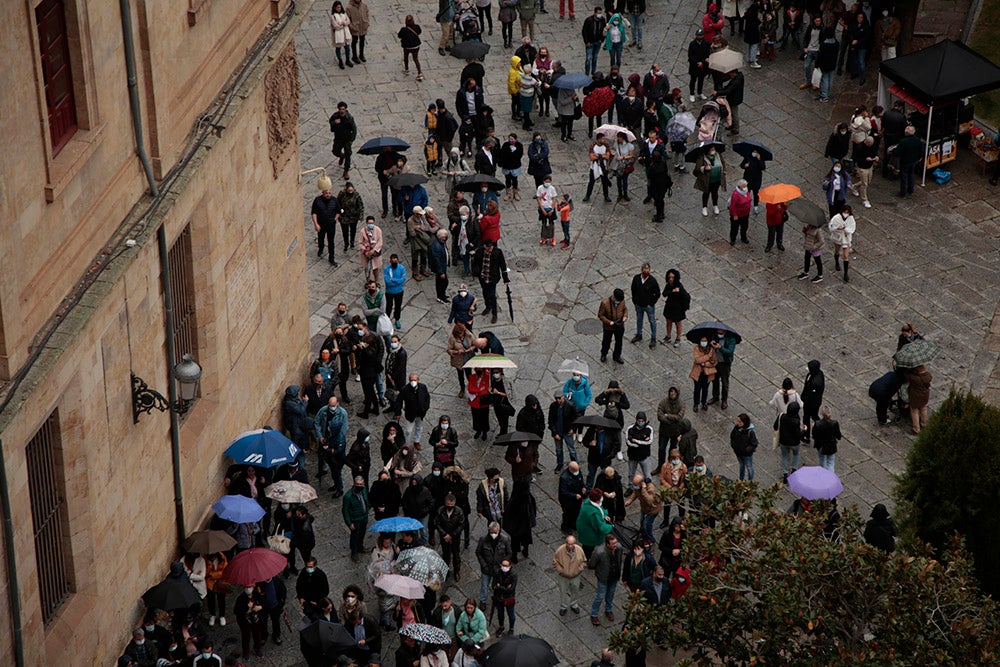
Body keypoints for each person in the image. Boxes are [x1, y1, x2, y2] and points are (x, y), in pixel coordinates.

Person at [315, 396, 350, 497]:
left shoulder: (342, 414)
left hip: (335, 451)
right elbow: (317, 422)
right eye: (330, 405)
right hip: (326, 441)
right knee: (329, 465)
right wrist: (321, 436)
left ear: (337, 403)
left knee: (336, 471)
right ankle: (333, 481)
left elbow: (344, 429)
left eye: (333, 406)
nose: (332, 408)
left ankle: (339, 488)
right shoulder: (323, 411)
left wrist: (329, 449)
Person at [471, 238, 510, 325]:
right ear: (484, 246)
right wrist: (475, 271)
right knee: (485, 293)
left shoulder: (498, 252)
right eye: (488, 247)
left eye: (491, 247)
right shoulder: (480, 251)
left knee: (492, 295)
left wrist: (505, 278)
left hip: (492, 278)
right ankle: (488, 307)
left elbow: (503, 266)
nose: (490, 249)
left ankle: (494, 314)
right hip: (483, 277)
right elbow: (475, 262)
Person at [476, 522, 511, 607]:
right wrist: (483, 564)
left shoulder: (505, 539)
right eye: (491, 532)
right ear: (489, 530)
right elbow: (478, 552)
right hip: (487, 568)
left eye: (495, 532)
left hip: (498, 568)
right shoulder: (483, 539)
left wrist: (504, 563)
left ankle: (497, 598)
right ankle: (483, 601)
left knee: (498, 585)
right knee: (484, 585)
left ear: (499, 531)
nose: (493, 534)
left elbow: (509, 553)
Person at [588, 534, 621, 626]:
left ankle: (608, 610)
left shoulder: (619, 548)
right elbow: (591, 564)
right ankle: (594, 614)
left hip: (614, 576)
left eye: (616, 542)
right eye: (613, 543)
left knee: (611, 594)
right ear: (607, 544)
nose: (616, 545)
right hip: (603, 577)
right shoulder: (599, 552)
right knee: (600, 596)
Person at [628, 263, 660, 348]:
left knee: (652, 321)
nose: (646, 271)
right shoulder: (636, 278)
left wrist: (651, 303)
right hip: (638, 305)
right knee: (639, 320)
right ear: (641, 270)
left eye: (647, 270)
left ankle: (653, 337)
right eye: (644, 270)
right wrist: (634, 301)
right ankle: (639, 334)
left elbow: (657, 293)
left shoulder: (653, 281)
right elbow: (633, 290)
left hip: (648, 306)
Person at [436, 493, 466, 581]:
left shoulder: (459, 511)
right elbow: (437, 523)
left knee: (456, 555)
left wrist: (452, 535)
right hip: (444, 537)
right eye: (448, 504)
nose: (450, 506)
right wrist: (444, 534)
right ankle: (446, 571)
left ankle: (456, 571)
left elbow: (461, 525)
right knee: (446, 555)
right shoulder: (440, 510)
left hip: (455, 537)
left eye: (451, 504)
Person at [577, 488, 613, 558]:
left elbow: (600, 508)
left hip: (585, 530)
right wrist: (611, 527)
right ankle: (587, 559)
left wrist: (604, 515)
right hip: (589, 535)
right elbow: (600, 527)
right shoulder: (593, 514)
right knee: (588, 549)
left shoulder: (588, 502)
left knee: (586, 547)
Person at [312, 176, 340, 266]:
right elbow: (314, 213)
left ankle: (331, 258)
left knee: (331, 241)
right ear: (323, 193)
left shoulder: (334, 200)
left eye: (329, 193)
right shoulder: (317, 200)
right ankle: (321, 249)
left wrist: (335, 219)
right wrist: (316, 224)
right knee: (321, 238)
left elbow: (338, 211)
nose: (328, 195)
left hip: (331, 225)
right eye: (326, 193)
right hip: (321, 224)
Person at [626, 472, 660, 544]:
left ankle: (651, 539)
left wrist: (644, 490)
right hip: (644, 508)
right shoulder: (638, 487)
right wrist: (630, 500)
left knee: (647, 524)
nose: (635, 487)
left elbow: (650, 502)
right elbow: (635, 493)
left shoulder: (650, 488)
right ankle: (643, 535)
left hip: (652, 510)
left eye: (636, 485)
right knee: (642, 522)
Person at [343, 476, 371, 562]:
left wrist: (367, 509)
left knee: (362, 533)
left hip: (364, 517)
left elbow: (366, 500)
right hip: (355, 520)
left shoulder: (364, 490)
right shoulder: (348, 496)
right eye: (358, 484)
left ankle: (360, 547)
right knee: (355, 536)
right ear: (354, 484)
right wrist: (349, 523)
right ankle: (354, 552)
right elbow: (345, 511)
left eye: (361, 484)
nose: (359, 486)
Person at [597, 288, 628, 364]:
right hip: (609, 327)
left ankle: (617, 356)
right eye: (617, 300)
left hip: (619, 325)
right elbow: (600, 315)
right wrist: (609, 322)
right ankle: (604, 354)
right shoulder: (605, 303)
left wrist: (625, 316)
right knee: (606, 341)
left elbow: (625, 309)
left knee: (619, 342)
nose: (619, 302)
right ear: (613, 297)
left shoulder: (622, 301)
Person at [694, 144, 725, 217]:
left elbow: (722, 163)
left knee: (715, 193)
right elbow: (697, 169)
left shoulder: (718, 155)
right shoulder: (702, 157)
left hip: (717, 179)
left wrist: (724, 171)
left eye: (714, 149)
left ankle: (715, 205)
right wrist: (704, 168)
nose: (713, 151)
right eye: (711, 150)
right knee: (706, 193)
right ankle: (704, 207)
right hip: (707, 180)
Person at [894, 125, 924, 198]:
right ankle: (910, 189)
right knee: (911, 175)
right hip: (914, 161)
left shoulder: (903, 141)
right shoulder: (918, 140)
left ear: (906, 133)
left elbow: (897, 152)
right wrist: (919, 158)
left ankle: (903, 192)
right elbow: (921, 150)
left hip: (905, 161)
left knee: (904, 176)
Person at [330, 101, 358, 180]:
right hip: (338, 138)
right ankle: (342, 156)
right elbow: (331, 123)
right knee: (335, 151)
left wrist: (351, 140)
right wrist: (334, 123)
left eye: (343, 109)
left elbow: (354, 129)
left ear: (345, 109)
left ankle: (346, 170)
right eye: (340, 109)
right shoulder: (335, 116)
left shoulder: (349, 118)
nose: (342, 111)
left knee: (348, 154)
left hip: (347, 139)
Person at [689, 336, 717, 412]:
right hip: (698, 373)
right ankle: (696, 403)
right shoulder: (697, 348)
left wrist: (705, 364)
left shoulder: (711, 349)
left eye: (705, 341)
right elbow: (697, 360)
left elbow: (714, 362)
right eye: (702, 341)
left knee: (705, 389)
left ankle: (704, 402)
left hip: (707, 373)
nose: (703, 342)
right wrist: (708, 356)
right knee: (697, 389)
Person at [624, 412, 654, 482]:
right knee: (631, 474)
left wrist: (636, 441)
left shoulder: (649, 429)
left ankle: (648, 488)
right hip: (632, 456)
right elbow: (628, 442)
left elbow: (649, 442)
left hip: (645, 456)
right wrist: (642, 442)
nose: (640, 423)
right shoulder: (630, 429)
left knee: (647, 475)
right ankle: (630, 487)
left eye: (642, 421)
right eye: (639, 421)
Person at [584, 133, 613, 203]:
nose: (604, 140)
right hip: (594, 167)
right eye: (603, 139)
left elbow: (607, 157)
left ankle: (606, 195)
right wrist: (603, 156)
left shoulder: (606, 145)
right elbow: (591, 157)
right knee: (591, 182)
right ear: (599, 139)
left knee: (604, 182)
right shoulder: (593, 146)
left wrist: (599, 156)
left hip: (603, 167)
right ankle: (587, 195)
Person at [777, 402, 803, 480]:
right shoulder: (796, 421)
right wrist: (804, 430)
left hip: (783, 441)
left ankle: (785, 473)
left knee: (784, 456)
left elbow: (775, 426)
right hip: (794, 443)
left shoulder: (782, 416)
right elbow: (798, 434)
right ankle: (794, 469)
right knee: (796, 454)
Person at [801, 359, 825, 442]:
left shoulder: (816, 382)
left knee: (806, 418)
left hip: (811, 403)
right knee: (814, 416)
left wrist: (804, 399)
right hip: (810, 401)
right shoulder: (815, 374)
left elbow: (812, 396)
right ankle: (821, 427)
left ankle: (806, 433)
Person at [812, 406, 841, 472]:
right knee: (831, 463)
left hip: (821, 446)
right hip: (831, 445)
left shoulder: (817, 424)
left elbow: (814, 436)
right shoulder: (834, 423)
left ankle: (824, 475)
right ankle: (831, 477)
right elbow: (838, 436)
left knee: (822, 461)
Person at [905, 364, 932, 435]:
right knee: (923, 408)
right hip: (925, 395)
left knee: (914, 411)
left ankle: (916, 428)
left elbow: (906, 376)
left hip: (915, 397)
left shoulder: (914, 378)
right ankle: (924, 423)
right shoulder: (928, 376)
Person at [730, 413, 758, 481]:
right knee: (741, 465)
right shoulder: (737, 428)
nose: (738, 423)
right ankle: (741, 479)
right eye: (738, 421)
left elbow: (754, 444)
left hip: (746, 454)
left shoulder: (750, 432)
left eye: (740, 422)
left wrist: (746, 450)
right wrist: (733, 445)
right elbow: (732, 436)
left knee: (749, 467)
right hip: (738, 452)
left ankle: (750, 482)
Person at [727, 178, 753, 246]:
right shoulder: (736, 194)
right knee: (734, 228)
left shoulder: (746, 191)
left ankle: (743, 238)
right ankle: (733, 239)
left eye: (746, 185)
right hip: (737, 215)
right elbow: (733, 206)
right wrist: (734, 215)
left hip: (745, 214)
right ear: (740, 186)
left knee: (744, 227)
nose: (745, 187)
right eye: (744, 186)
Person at [358, 217, 384, 283]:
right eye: (369, 223)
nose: (371, 224)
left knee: (375, 268)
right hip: (366, 253)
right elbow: (360, 243)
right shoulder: (362, 231)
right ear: (366, 223)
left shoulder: (378, 230)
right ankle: (368, 281)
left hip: (375, 252)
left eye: (372, 223)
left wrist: (374, 250)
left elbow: (380, 242)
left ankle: (376, 281)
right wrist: (365, 251)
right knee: (367, 268)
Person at [582, 7, 607, 76]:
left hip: (598, 42)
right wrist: (586, 42)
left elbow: (605, 30)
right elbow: (584, 31)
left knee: (595, 57)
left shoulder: (602, 20)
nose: (600, 15)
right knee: (588, 58)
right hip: (590, 42)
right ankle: (586, 73)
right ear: (595, 13)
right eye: (598, 13)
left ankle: (593, 71)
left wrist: (602, 39)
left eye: (600, 13)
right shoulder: (589, 20)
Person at [398, 15, 424, 80]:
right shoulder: (417, 27)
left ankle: (407, 70)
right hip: (416, 46)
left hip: (407, 47)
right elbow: (419, 32)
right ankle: (419, 73)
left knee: (406, 57)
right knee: (416, 59)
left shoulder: (403, 29)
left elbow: (399, 35)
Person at [687, 29, 711, 101]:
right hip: (694, 66)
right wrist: (697, 62)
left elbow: (707, 53)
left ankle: (700, 92)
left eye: (700, 35)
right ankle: (692, 93)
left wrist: (702, 62)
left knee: (701, 80)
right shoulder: (692, 44)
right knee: (693, 80)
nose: (699, 37)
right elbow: (690, 55)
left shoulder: (706, 43)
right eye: (698, 35)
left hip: (703, 66)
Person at [330, 2, 353, 70]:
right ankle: (340, 61)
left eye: (340, 7)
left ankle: (347, 59)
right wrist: (343, 25)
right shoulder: (333, 16)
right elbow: (335, 26)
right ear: (335, 8)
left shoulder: (344, 13)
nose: (339, 8)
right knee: (338, 48)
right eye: (337, 7)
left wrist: (342, 23)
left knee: (347, 47)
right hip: (338, 34)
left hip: (345, 33)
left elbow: (348, 21)